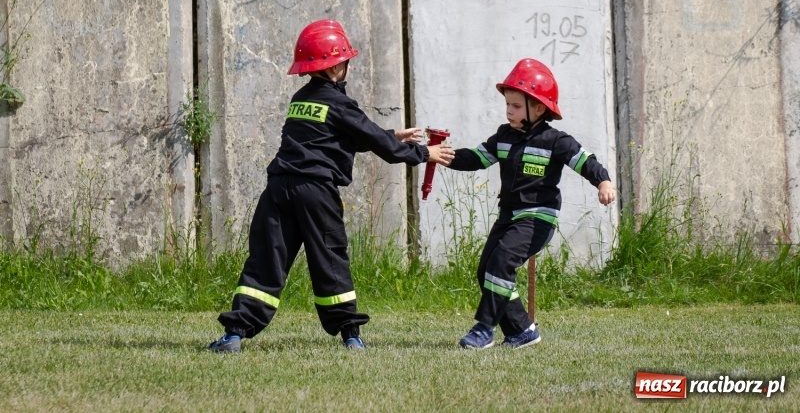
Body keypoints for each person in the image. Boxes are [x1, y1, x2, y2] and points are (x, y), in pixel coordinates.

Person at [209, 19, 454, 352]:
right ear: (338, 66)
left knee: (266, 259)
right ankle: (350, 334)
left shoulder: (301, 99)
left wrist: (392, 135)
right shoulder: (340, 103)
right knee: (329, 258)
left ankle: (234, 333)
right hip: (316, 192)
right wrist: (425, 152)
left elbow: (332, 138)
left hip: (279, 188)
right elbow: (374, 143)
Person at [446, 58, 615, 349]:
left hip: (537, 218)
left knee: (500, 264)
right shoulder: (504, 137)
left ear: (538, 108)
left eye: (515, 105)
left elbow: (586, 162)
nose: (508, 111)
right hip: (508, 216)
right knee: (487, 270)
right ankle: (522, 331)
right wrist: (441, 155)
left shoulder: (556, 141)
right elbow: (476, 158)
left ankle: (484, 328)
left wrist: (604, 182)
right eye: (507, 105)